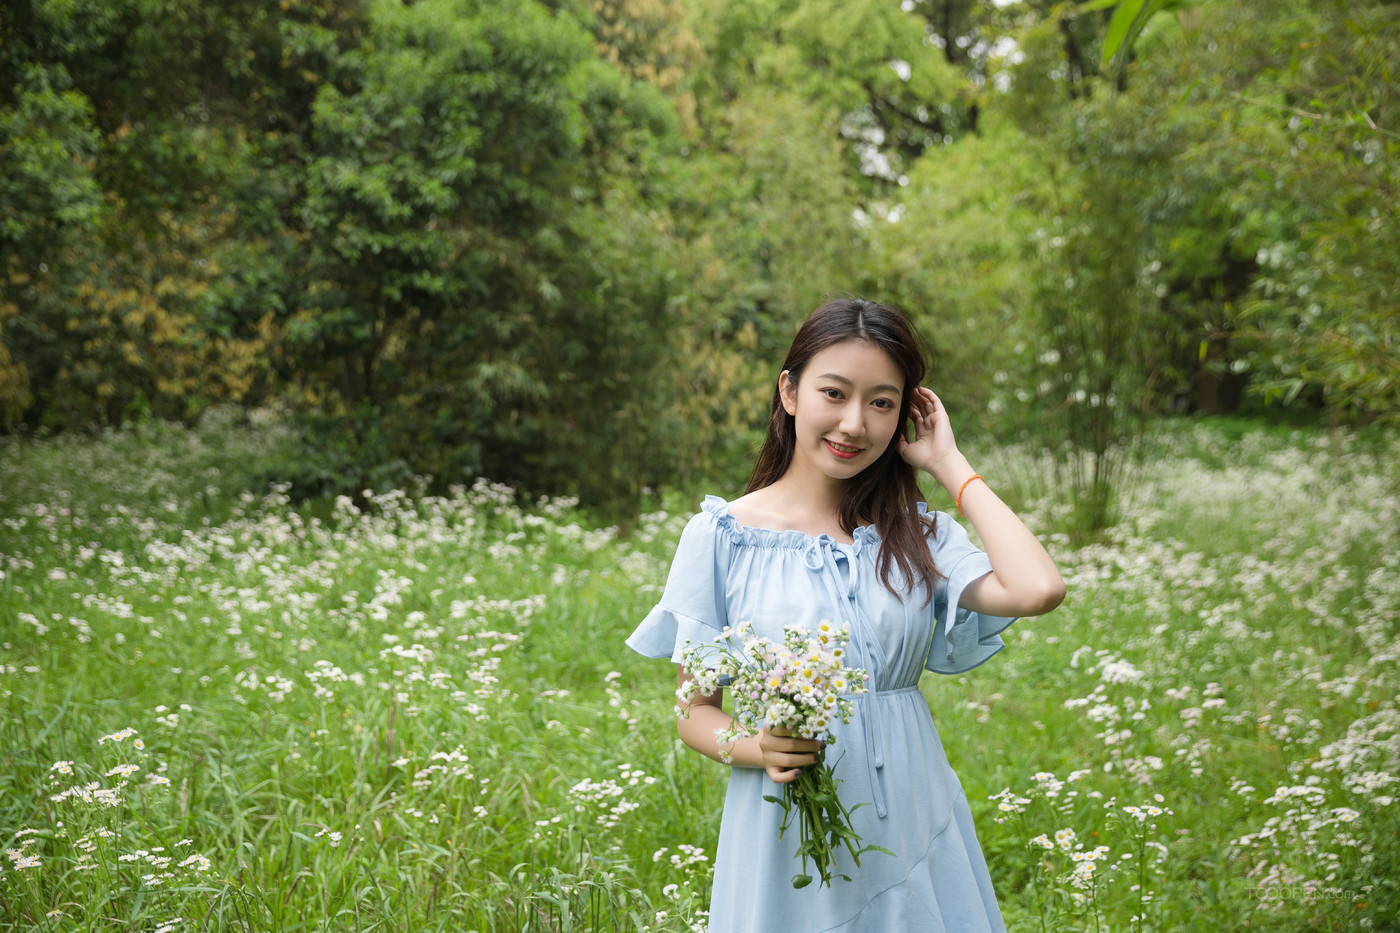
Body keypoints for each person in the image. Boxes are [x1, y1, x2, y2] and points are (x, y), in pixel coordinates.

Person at [626, 297, 1065, 932]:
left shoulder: (918, 535)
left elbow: (1039, 588)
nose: (854, 423)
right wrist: (756, 748)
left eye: (882, 402)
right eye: (834, 392)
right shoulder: (722, 536)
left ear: (905, 416)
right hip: (784, 822)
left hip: (914, 814)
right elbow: (694, 713)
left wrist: (949, 464)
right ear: (790, 391)